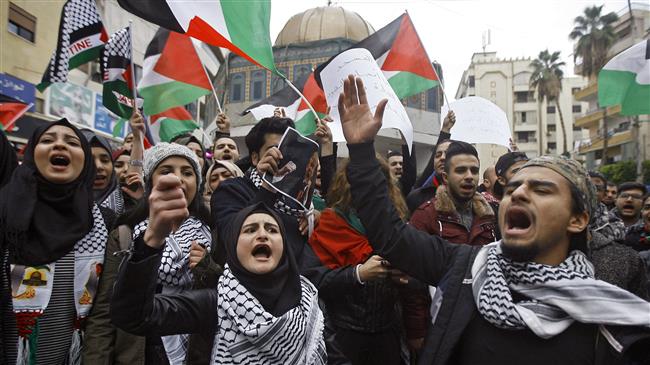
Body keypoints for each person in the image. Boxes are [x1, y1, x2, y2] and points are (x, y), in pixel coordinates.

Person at [337, 74, 650, 364]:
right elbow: (392, 236)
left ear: (578, 220)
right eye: (513, 187)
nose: (519, 194)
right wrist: (362, 151)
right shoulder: (464, 267)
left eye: (541, 189)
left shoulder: (612, 320)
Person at [110, 202, 326, 364]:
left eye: (272, 230)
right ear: (233, 247)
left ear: (284, 246)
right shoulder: (215, 302)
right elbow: (133, 316)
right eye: (250, 230)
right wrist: (152, 242)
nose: (262, 235)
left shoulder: (309, 300)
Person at [83, 142, 213, 364]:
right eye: (166, 171)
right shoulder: (125, 234)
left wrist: (207, 267)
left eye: (187, 173)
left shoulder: (216, 233)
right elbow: (105, 311)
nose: (178, 178)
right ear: (151, 183)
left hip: (196, 352)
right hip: (139, 352)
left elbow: (228, 296)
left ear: (197, 184)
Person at [1, 118, 111, 364]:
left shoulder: (105, 221)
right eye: (48, 140)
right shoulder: (6, 210)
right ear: (31, 153)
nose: (59, 146)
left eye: (72, 142)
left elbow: (104, 311)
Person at [308, 158, 409, 365]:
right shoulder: (330, 222)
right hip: (343, 334)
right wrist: (358, 274)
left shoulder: (398, 225)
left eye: (377, 180)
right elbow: (314, 283)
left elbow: (420, 281)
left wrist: (404, 277)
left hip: (387, 336)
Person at [406, 111, 455, 213]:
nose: (442, 158)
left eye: (447, 153)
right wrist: (445, 130)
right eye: (438, 155)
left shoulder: (467, 196)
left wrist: (446, 129)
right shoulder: (417, 197)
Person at [588, 171, 626, 241]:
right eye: (587, 186)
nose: (591, 191)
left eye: (597, 189)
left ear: (603, 194)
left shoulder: (615, 224)